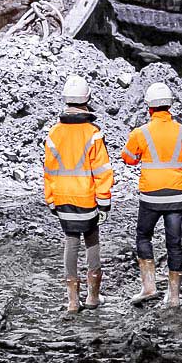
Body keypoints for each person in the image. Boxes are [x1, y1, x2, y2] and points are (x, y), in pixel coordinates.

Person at [120, 81, 182, 308]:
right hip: (176, 197)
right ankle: (174, 296)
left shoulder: (141, 132)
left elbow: (127, 157)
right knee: (174, 244)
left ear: (149, 108)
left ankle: (149, 287)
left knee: (143, 236)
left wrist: (140, 155)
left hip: (150, 197)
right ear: (170, 106)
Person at [41, 74, 113, 317]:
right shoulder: (92, 133)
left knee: (70, 242)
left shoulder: (53, 133)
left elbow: (49, 170)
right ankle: (93, 296)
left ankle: (73, 300)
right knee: (92, 241)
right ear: (87, 99)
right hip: (87, 197)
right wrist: (104, 202)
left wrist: (50, 198)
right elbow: (102, 170)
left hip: (62, 197)